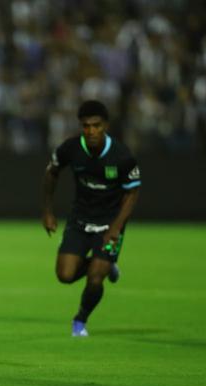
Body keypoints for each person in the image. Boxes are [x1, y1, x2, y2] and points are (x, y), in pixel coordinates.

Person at [42, 100, 141, 337]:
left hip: (110, 223)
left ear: (105, 125)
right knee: (64, 275)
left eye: (96, 125)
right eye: (86, 126)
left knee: (96, 278)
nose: (91, 131)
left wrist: (116, 228)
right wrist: (47, 211)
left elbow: (132, 193)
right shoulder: (71, 149)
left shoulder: (121, 156)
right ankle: (107, 264)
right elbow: (51, 173)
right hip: (79, 220)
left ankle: (80, 320)